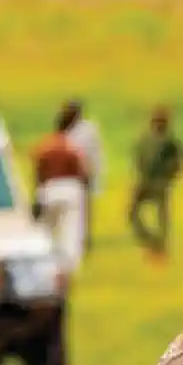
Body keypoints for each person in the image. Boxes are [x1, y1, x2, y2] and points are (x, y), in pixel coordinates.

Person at [33, 104, 92, 273]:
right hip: (70, 188)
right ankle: (68, 268)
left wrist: (37, 195)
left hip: (49, 188)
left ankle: (40, 263)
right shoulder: (71, 147)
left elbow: (39, 173)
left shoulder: (45, 145)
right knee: (71, 231)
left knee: (45, 230)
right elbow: (82, 172)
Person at [128, 105, 183, 262]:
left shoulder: (169, 142)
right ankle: (152, 240)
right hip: (145, 181)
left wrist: (167, 177)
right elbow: (139, 157)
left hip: (159, 182)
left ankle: (160, 245)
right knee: (133, 213)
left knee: (161, 216)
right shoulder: (147, 139)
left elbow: (178, 163)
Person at [63, 99, 104, 255]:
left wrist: (94, 174)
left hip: (83, 175)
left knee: (84, 210)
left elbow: (94, 153)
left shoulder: (87, 130)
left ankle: (86, 240)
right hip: (70, 175)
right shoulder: (67, 129)